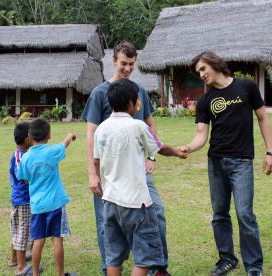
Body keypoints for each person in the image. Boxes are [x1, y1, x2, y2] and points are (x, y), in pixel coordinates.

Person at [180, 51, 272, 276]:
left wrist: (271, 152)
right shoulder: (205, 100)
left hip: (242, 161)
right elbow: (201, 134)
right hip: (216, 162)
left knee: (245, 213)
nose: (201, 74)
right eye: (198, 72)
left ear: (215, 64)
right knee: (220, 213)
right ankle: (227, 258)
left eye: (203, 69)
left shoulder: (246, 87)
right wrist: (189, 147)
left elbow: (263, 118)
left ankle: (253, 266)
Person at [82, 41, 170, 276]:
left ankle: (157, 268)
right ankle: (108, 267)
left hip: (138, 173)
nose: (128, 68)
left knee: (156, 213)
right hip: (109, 174)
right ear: (114, 62)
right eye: (123, 64)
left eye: (132, 64)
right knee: (106, 223)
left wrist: (152, 157)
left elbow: (150, 124)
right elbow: (91, 134)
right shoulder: (100, 93)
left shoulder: (138, 90)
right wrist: (92, 173)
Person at [93, 79, 186, 276]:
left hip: (110, 201)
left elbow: (96, 161)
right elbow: (159, 148)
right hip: (136, 203)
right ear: (130, 102)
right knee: (144, 257)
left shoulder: (101, 129)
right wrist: (177, 152)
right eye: (137, 100)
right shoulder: (138, 126)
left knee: (114, 256)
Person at [17, 118, 77, 276]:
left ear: (29, 136)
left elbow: (23, 178)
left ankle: (35, 273)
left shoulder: (26, 158)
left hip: (37, 205)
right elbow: (64, 144)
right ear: (49, 134)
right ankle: (60, 273)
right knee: (57, 239)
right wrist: (70, 135)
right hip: (56, 204)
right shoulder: (52, 152)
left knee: (38, 241)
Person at [9, 121, 33, 275]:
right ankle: (21, 267)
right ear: (27, 139)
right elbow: (23, 177)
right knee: (22, 231)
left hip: (20, 198)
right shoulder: (20, 156)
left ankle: (14, 259)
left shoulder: (22, 154)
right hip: (23, 199)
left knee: (17, 229)